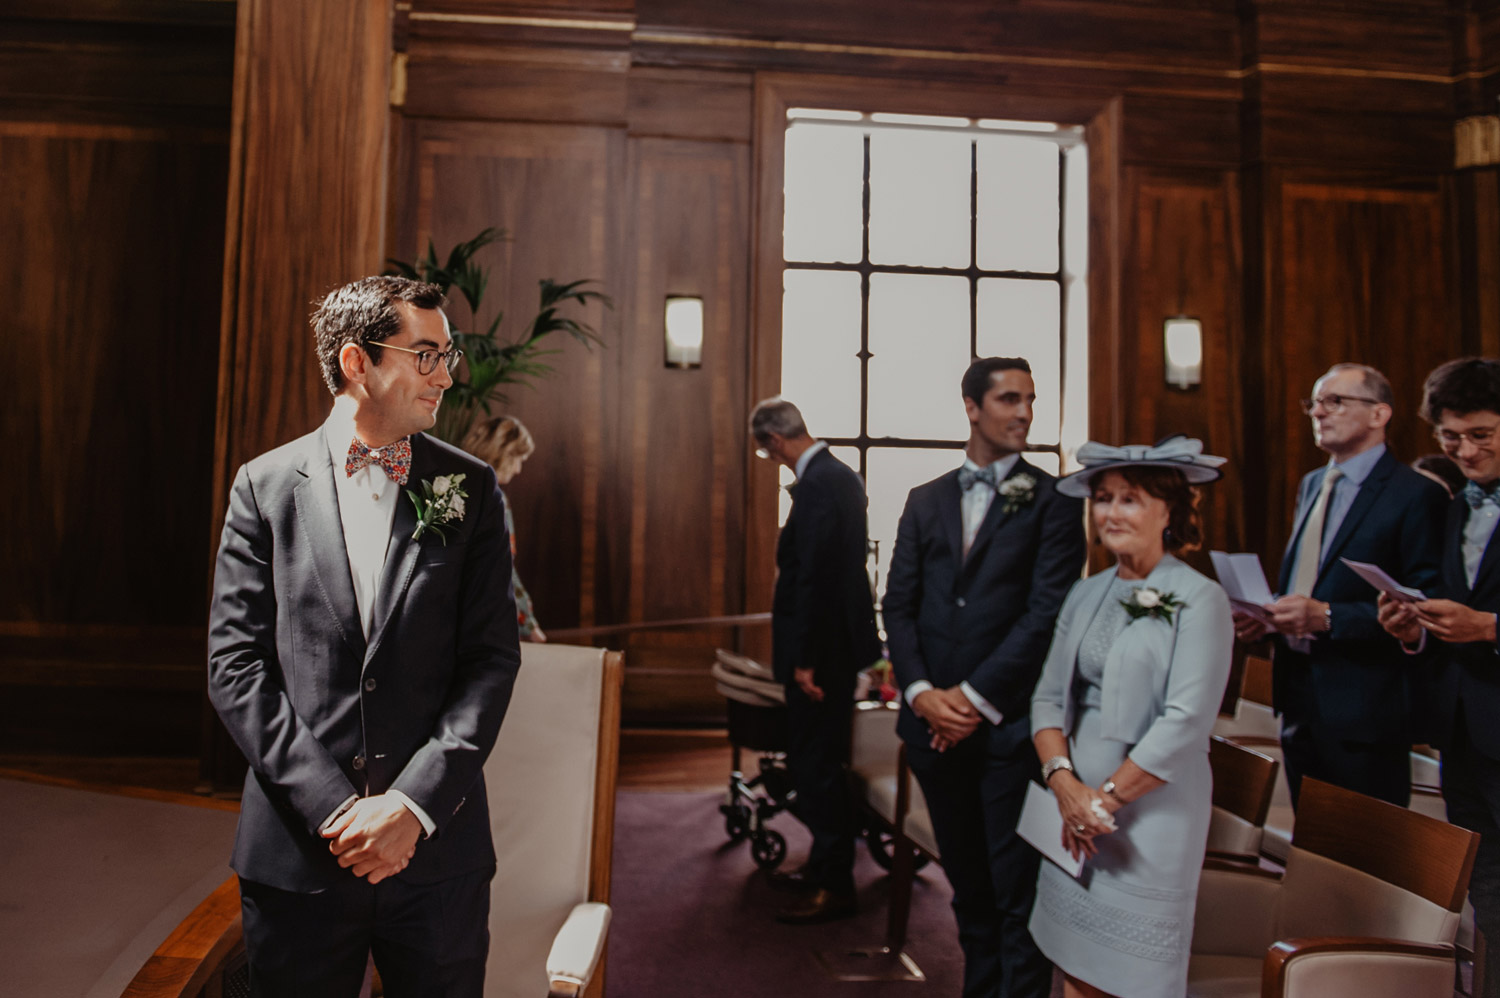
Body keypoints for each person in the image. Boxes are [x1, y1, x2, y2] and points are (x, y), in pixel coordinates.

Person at [207, 276, 522, 998]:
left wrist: (410, 806)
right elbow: (235, 665)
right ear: (358, 363)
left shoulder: (470, 491)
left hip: (438, 854)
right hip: (299, 853)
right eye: (427, 355)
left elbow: (491, 663)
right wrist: (336, 809)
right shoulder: (263, 487)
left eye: (450, 355)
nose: (447, 376)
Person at [883, 357, 1087, 998]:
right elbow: (899, 605)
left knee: (1014, 896)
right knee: (967, 890)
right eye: (1008, 399)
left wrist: (969, 702)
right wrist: (922, 696)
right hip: (931, 730)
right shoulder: (925, 500)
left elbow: (1045, 613)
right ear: (972, 406)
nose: (1023, 412)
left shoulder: (1054, 500)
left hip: (1008, 731)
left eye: (1029, 400)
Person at [1028, 437, 1231, 998]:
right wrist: (1064, 785)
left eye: (1131, 499)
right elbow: (1047, 699)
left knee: (1129, 978)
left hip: (1151, 811)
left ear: (1169, 512)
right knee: (1071, 964)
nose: (1112, 512)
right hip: (1072, 804)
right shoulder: (1085, 592)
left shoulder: (1200, 598)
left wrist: (1103, 803)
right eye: (1103, 498)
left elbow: (1186, 723)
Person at [1232, 363, 1445, 808]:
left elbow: (1425, 604)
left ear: (1379, 414)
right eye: (1314, 403)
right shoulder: (1313, 484)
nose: (1318, 413)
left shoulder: (1414, 493)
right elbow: (1308, 578)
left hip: (1365, 704)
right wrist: (1270, 616)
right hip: (1298, 693)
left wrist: (1327, 617)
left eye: (1335, 401)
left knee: (1365, 857)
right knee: (1310, 854)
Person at [1379, 357, 1500, 998]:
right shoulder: (1455, 506)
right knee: (1487, 890)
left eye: (1481, 435)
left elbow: (1483, 620)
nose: (1465, 450)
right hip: (1462, 732)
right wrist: (1412, 630)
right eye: (1451, 438)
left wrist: (1489, 628)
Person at [752, 397, 881, 924]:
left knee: (817, 765)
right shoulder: (837, 477)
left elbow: (818, 579)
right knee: (816, 760)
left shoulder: (822, 483)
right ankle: (825, 866)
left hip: (821, 653)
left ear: (774, 441)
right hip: (832, 647)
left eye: (767, 453)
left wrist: (805, 660)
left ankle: (836, 883)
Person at [463, 415, 546, 642]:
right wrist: (528, 624)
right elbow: (503, 568)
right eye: (519, 459)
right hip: (482, 621)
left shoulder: (455, 486)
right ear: (504, 454)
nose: (519, 470)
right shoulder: (494, 499)